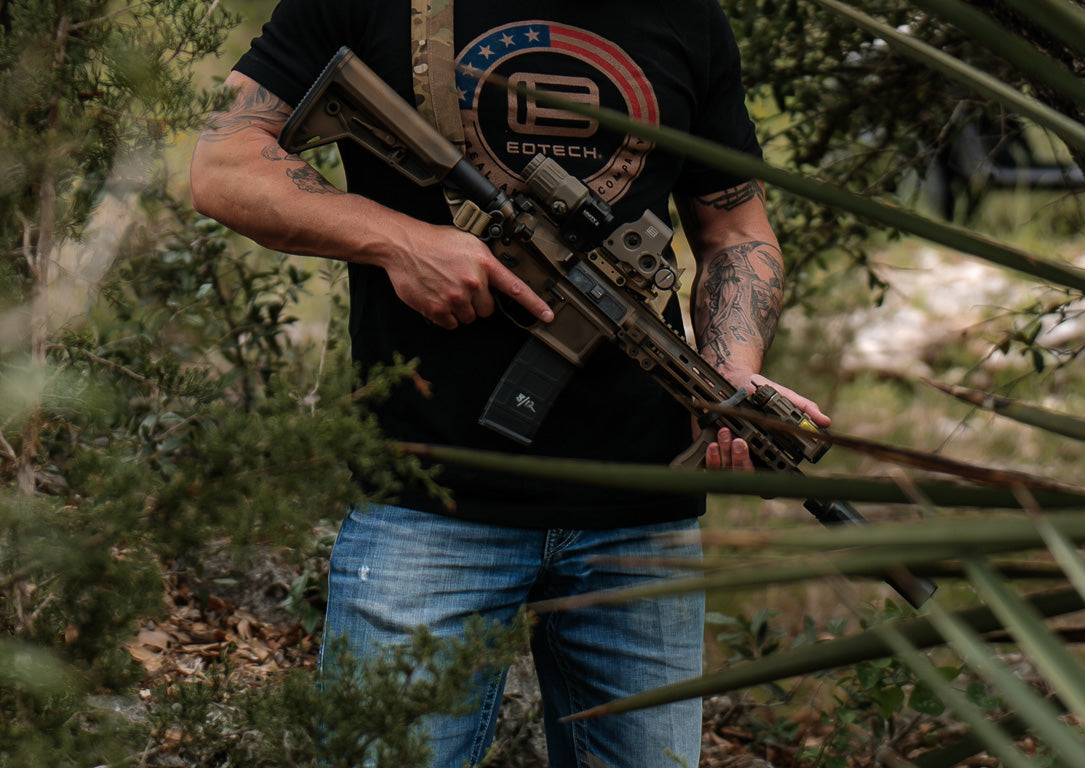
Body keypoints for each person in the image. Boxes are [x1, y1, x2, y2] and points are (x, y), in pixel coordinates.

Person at [188, 1, 828, 764]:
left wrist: (729, 373)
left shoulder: (685, 13)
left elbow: (736, 231)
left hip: (640, 521)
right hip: (430, 504)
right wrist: (404, 241)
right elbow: (224, 165)